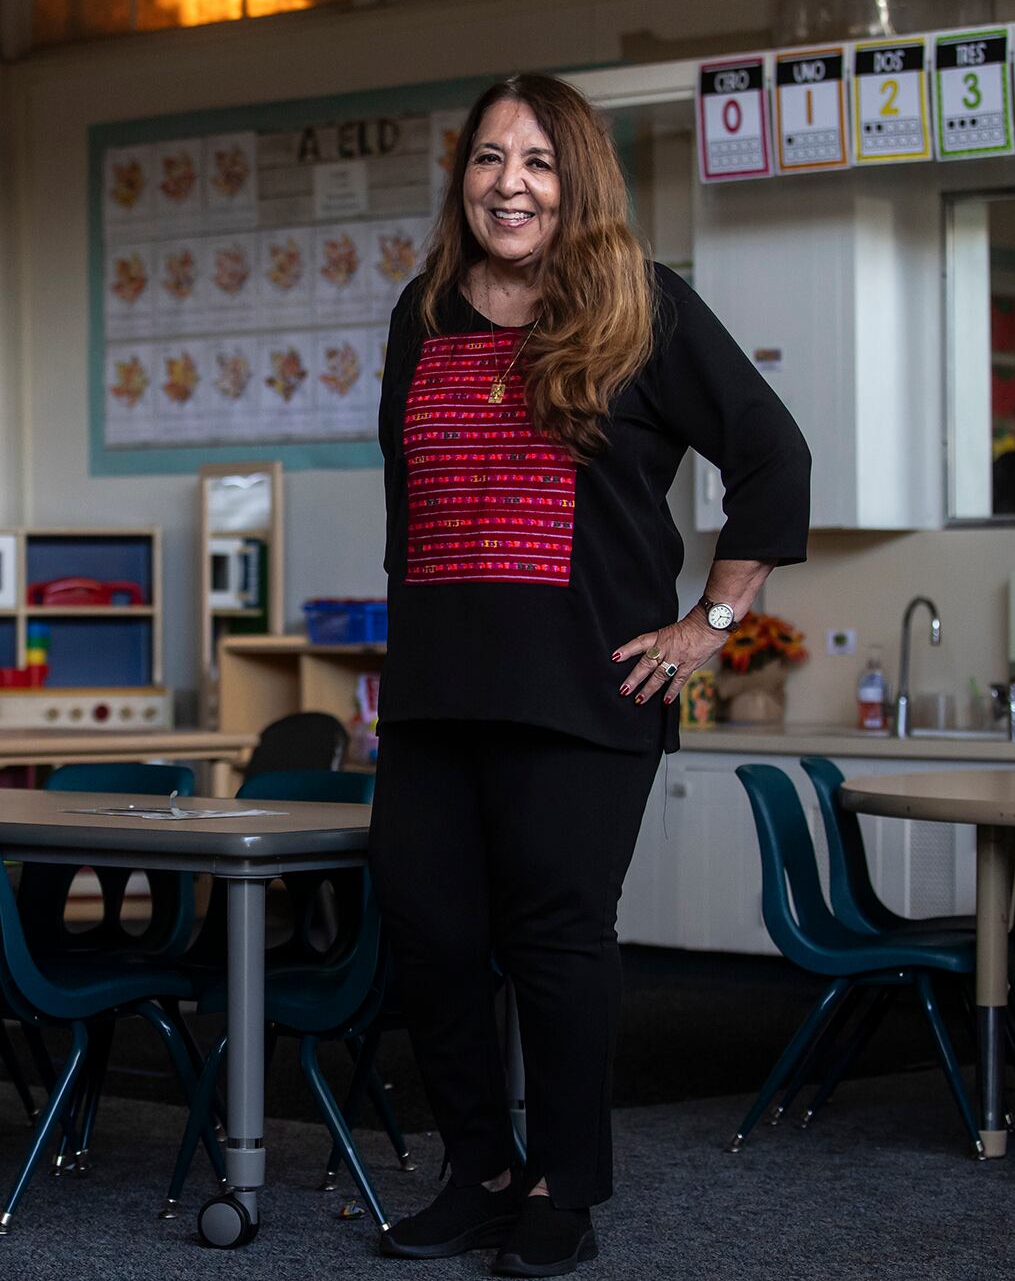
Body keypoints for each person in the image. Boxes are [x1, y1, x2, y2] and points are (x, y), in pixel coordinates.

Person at [371, 73, 810, 1276]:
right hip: (432, 692)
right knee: (429, 935)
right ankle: (478, 1172)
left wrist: (708, 621)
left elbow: (771, 459)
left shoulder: (641, 307)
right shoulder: (422, 314)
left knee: (556, 941)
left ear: (577, 181)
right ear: (460, 177)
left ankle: (562, 1187)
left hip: (584, 693)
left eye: (537, 163)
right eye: (485, 159)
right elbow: (412, 504)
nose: (508, 184)